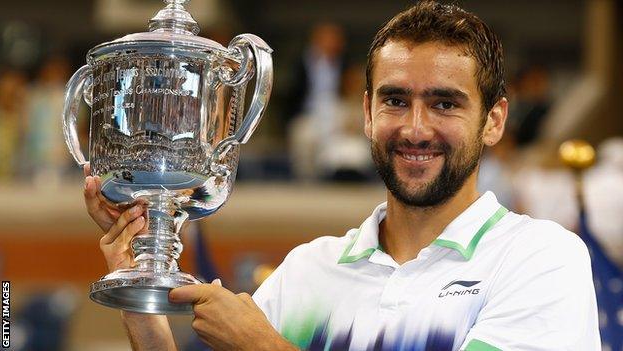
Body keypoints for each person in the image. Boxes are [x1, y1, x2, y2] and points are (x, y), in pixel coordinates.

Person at [83, 1, 600, 350]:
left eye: (445, 104)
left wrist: (263, 345)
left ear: (494, 121)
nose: (416, 129)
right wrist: (141, 295)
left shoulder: (541, 259)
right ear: (368, 114)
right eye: (396, 100)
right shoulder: (308, 270)